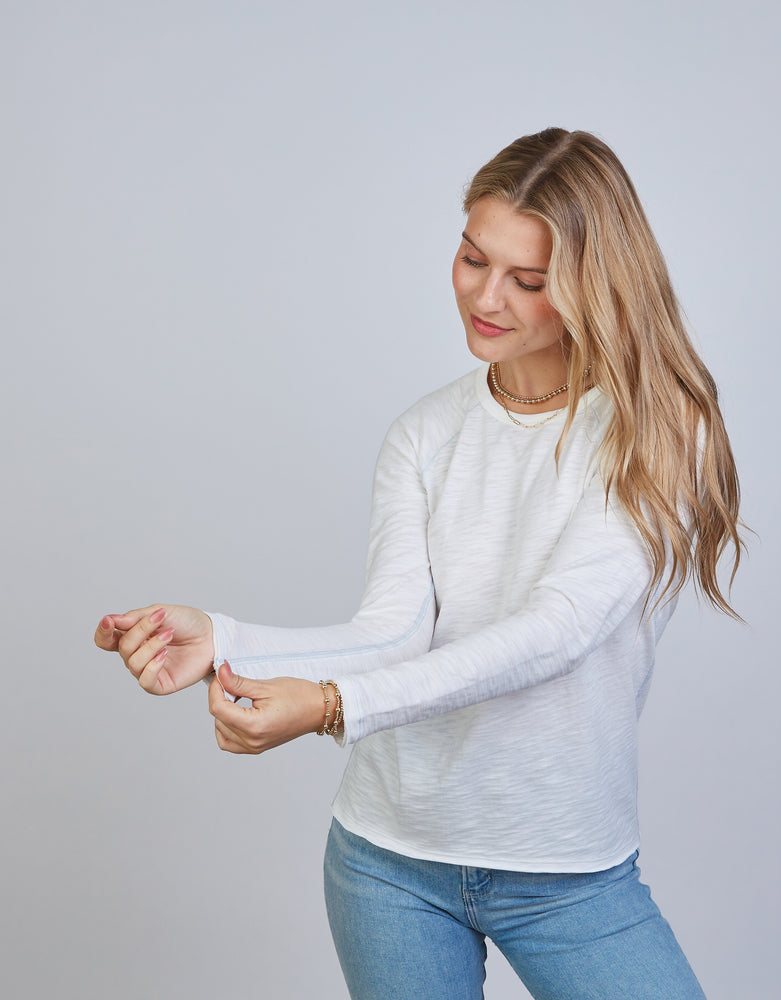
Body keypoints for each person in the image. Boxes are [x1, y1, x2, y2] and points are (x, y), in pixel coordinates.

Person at [94, 127, 743, 1000]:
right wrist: (224, 638)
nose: (487, 296)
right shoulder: (425, 434)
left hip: (563, 868)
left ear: (595, 287)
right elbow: (394, 631)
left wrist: (330, 707)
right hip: (387, 862)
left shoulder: (656, 435)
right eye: (473, 258)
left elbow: (557, 632)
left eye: (529, 279)